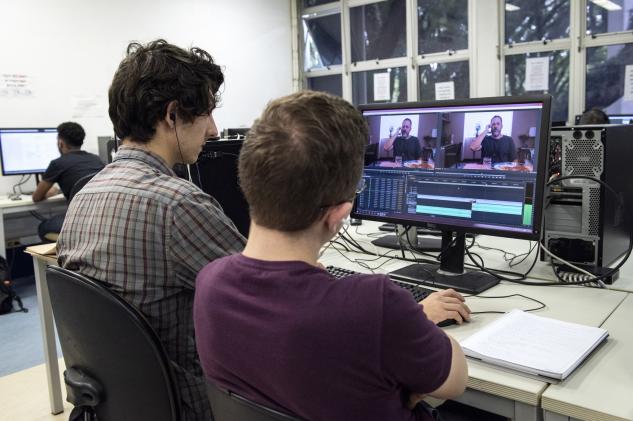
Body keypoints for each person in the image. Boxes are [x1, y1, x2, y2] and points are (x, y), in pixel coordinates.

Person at [194, 91, 470, 421]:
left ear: (250, 182)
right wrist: (409, 323)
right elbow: (455, 382)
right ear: (338, 214)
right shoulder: (374, 304)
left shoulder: (210, 283)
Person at [57, 40, 246, 421]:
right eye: (207, 113)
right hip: (191, 407)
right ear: (173, 115)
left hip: (123, 406)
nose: (214, 129)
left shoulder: (84, 194)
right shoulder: (178, 204)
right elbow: (272, 295)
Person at [32, 121, 105, 241]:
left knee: (43, 227)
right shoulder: (96, 160)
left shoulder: (57, 163)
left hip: (78, 222)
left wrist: (53, 192)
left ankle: (60, 257)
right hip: (100, 221)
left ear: (61, 143)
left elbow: (36, 197)